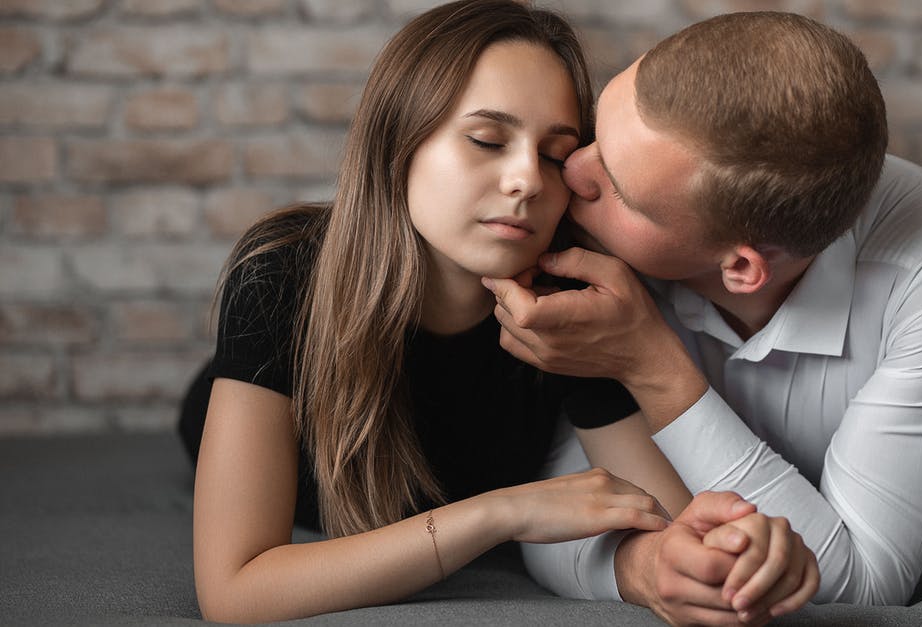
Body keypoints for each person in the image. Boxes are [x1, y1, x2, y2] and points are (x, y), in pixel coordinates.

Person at [175, 2, 819, 622]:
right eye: (487, 140)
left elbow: (667, 516)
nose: (527, 181)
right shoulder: (280, 274)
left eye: (552, 154)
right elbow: (236, 591)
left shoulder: (561, 302)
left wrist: (727, 552)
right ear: (398, 142)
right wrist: (504, 513)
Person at [486, 10, 922, 625]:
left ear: (741, 268)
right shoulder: (590, 226)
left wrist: (651, 364)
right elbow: (553, 504)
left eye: (620, 188)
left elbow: (866, 584)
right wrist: (645, 566)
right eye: (598, 133)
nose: (570, 169)